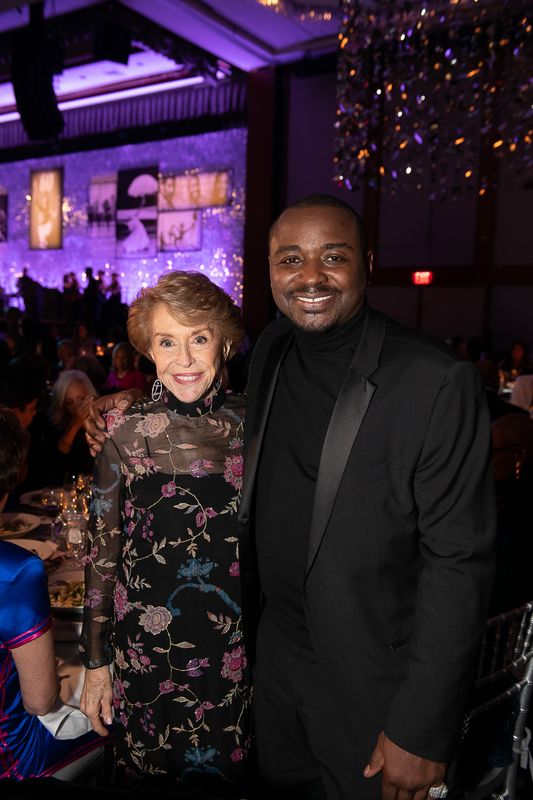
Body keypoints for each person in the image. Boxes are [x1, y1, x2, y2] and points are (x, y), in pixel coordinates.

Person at [85, 195, 496, 800]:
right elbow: (202, 411)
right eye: (290, 258)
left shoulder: (433, 380)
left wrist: (422, 726)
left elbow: (461, 562)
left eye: (333, 256)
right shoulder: (275, 349)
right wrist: (123, 408)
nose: (310, 276)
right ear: (271, 270)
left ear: (368, 263)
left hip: (367, 686)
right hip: (267, 671)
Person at [79, 272, 252, 791]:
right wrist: (96, 663)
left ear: (223, 343)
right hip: (145, 652)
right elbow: (102, 556)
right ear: (148, 351)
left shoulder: (258, 424)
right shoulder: (125, 434)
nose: (184, 359)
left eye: (198, 337)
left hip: (235, 653)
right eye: (166, 341)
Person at [0, 409, 101, 780]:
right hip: (14, 762)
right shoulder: (15, 570)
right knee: (119, 715)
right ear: (12, 477)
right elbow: (40, 701)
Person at [48, 369, 97, 483]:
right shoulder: (57, 427)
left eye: (81, 399)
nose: (77, 407)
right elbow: (57, 468)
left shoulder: (103, 422)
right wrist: (75, 424)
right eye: (70, 402)